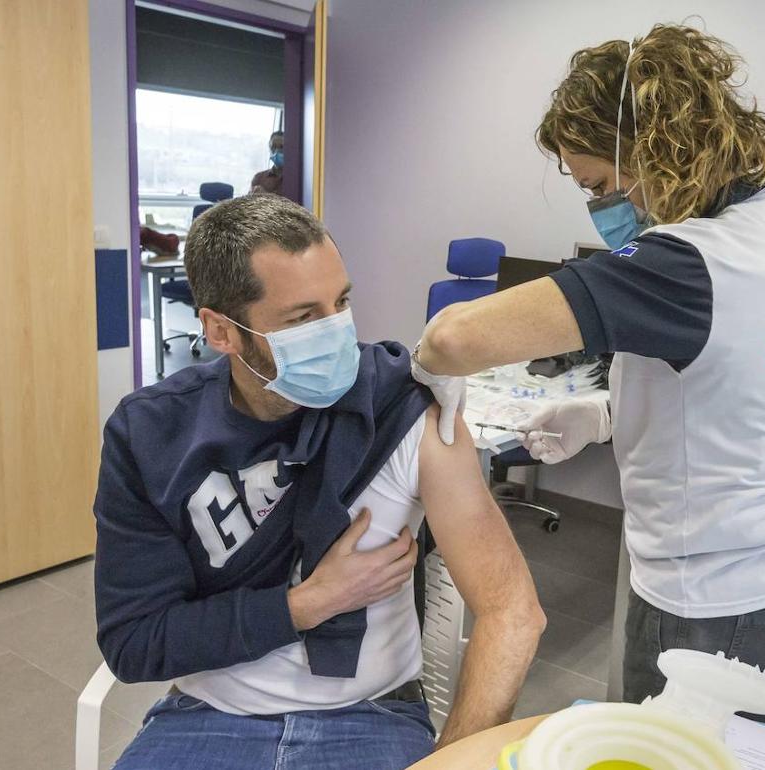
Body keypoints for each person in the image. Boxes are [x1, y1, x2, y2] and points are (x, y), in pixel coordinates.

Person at [413, 25, 765, 703]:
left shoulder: (686, 262)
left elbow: (451, 340)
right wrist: (608, 413)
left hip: (715, 595)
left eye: (602, 184)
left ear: (656, 152)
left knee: (667, 749)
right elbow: (740, 382)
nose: (603, 208)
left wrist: (422, 363)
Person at [94, 195, 545, 769]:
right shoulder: (152, 434)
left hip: (370, 715)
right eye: (303, 318)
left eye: (342, 302)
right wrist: (309, 604)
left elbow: (512, 612)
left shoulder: (400, 409)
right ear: (220, 331)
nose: (336, 332)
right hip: (210, 716)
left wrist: (451, 763)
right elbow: (135, 643)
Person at [250, 130, 284, 195]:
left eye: (281, 147)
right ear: (269, 149)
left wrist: (265, 196)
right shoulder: (258, 178)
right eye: (273, 147)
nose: (277, 151)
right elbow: (248, 203)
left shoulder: (296, 181)